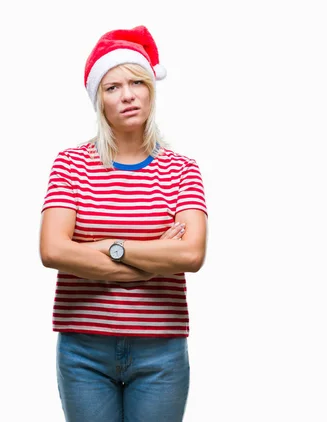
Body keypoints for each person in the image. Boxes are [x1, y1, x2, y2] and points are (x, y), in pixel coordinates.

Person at [39, 25, 208, 422]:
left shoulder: (182, 169)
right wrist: (151, 260)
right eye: (112, 87)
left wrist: (104, 247)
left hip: (161, 353)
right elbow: (52, 250)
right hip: (83, 351)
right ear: (98, 99)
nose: (127, 94)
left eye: (136, 82)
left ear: (151, 89)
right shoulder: (70, 165)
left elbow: (191, 253)